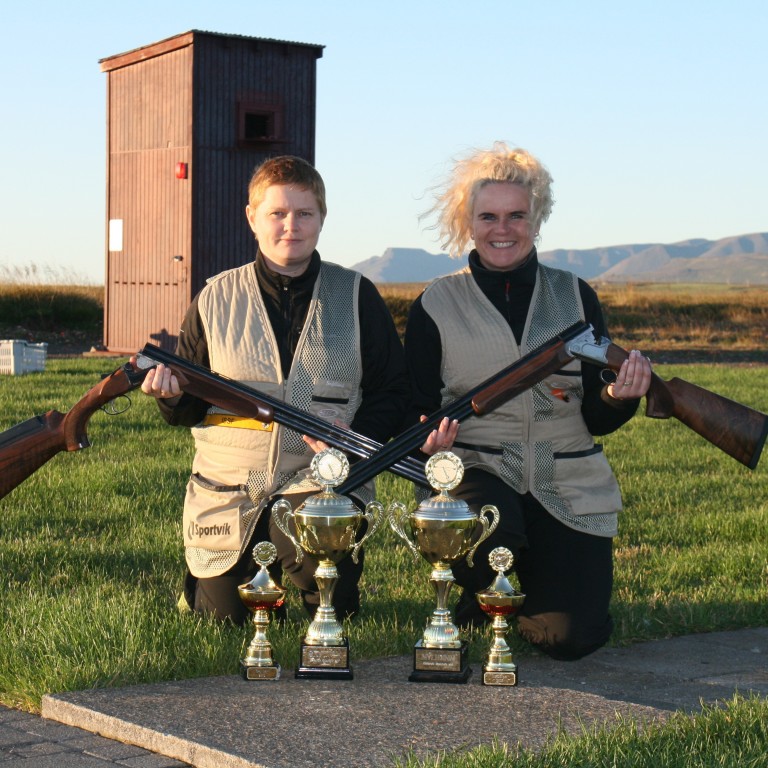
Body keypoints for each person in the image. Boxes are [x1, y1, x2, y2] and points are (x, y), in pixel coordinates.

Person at [406, 142, 652, 661]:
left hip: (566, 477)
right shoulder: (436, 302)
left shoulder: (575, 295)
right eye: (488, 216)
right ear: (467, 222)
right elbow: (418, 408)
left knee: (570, 639)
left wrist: (618, 396)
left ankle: (529, 592)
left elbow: (594, 418)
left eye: (517, 215)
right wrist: (430, 442)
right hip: (478, 470)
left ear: (537, 218)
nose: (503, 228)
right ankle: (479, 597)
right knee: (495, 526)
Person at [140, 155, 410, 625]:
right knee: (222, 621)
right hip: (229, 485)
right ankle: (206, 586)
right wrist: (169, 395)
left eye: (304, 213)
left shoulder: (357, 295)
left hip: (320, 478)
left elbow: (394, 391)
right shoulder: (215, 297)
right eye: (277, 214)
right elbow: (186, 411)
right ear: (252, 218)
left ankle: (322, 587)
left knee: (327, 612)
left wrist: (352, 436)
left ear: (322, 218)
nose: (291, 226)